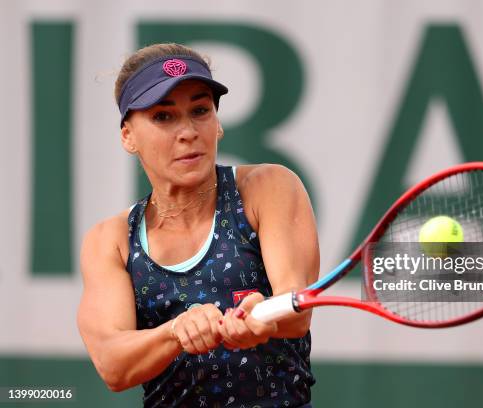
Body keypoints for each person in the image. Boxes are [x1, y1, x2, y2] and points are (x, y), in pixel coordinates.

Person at [77, 43, 319, 408]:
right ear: (128, 135)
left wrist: (261, 314)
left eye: (200, 110)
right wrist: (177, 331)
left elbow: (295, 309)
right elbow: (113, 364)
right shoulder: (110, 241)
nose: (188, 131)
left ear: (217, 123)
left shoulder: (268, 187)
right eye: (163, 117)